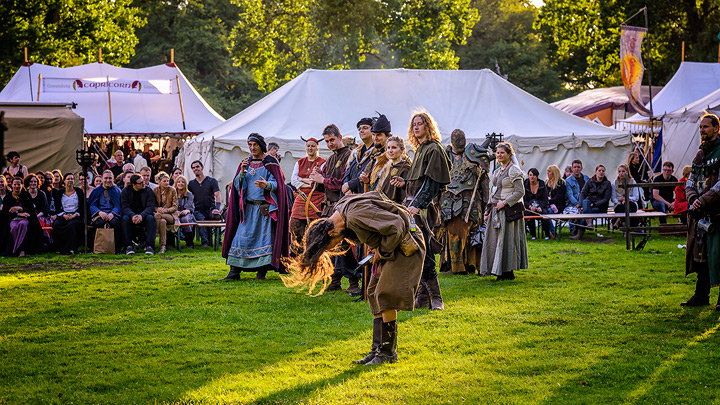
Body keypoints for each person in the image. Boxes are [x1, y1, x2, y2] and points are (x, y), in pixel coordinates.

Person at [283, 191, 426, 365]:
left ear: (332, 232)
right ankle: (377, 350)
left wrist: (381, 251)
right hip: (393, 243)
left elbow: (395, 226)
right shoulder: (342, 211)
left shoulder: (353, 216)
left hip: (405, 243)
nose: (335, 246)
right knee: (372, 292)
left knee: (385, 294)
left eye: (330, 245)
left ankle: (388, 353)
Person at [392, 111, 451, 309]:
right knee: (416, 252)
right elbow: (418, 180)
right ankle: (423, 297)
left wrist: (417, 205)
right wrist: (404, 183)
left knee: (424, 253)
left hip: (423, 209)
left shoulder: (434, 149)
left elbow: (432, 184)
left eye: (420, 124)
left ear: (428, 126)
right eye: (414, 124)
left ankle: (437, 298)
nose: (416, 127)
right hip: (412, 207)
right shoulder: (420, 150)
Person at [221, 133, 290, 280]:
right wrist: (241, 173)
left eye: (255, 145)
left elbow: (279, 184)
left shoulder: (270, 162)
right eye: (250, 145)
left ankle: (261, 273)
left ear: (261, 145)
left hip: (263, 209)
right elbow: (237, 186)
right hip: (247, 209)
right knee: (240, 239)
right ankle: (234, 272)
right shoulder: (245, 162)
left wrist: (267, 185)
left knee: (263, 242)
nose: (252, 148)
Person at [682, 113, 720, 308]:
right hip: (701, 214)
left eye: (706, 127)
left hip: (718, 213)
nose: (702, 130)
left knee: (719, 255)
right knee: (701, 257)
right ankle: (701, 295)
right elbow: (691, 180)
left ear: (716, 128)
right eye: (700, 127)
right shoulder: (700, 153)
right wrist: (693, 198)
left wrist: (704, 200)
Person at [309, 124, 354, 291]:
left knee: (344, 246)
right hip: (329, 208)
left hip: (341, 208)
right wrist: (316, 179)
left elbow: (343, 184)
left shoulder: (349, 156)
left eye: (332, 140)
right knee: (329, 245)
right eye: (327, 141)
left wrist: (323, 180)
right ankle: (334, 281)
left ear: (340, 137)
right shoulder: (330, 159)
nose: (330, 144)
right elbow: (322, 186)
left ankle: (352, 281)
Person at [439, 129, 490, 274]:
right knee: (450, 233)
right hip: (448, 201)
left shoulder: (474, 156)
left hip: (470, 201)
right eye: (457, 139)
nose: (459, 141)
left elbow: (484, 182)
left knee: (471, 233)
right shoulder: (445, 156)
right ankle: (452, 265)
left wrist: (486, 204)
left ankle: (470, 264)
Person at [479, 142, 528, 280]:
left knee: (507, 241)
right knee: (494, 241)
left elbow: (520, 191)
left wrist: (505, 203)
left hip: (508, 212)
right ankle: (497, 270)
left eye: (502, 153)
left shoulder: (514, 170)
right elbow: (493, 191)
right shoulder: (497, 171)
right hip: (495, 209)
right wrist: (487, 211)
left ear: (509, 154)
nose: (499, 155)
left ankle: (507, 272)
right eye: (498, 153)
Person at [289, 137, 326, 249]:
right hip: (302, 198)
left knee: (315, 227)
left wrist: (302, 179)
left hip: (317, 198)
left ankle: (313, 252)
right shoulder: (300, 162)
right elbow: (293, 180)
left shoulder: (323, 162)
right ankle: (297, 253)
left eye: (313, 146)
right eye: (308, 146)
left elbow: (319, 181)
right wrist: (308, 181)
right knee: (296, 224)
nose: (310, 148)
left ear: (317, 147)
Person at [2, 176, 43, 256]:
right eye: (15, 184)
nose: (17, 186)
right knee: (13, 227)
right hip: (13, 219)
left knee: (23, 224)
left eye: (19, 184)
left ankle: (22, 249)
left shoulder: (26, 195)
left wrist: (20, 208)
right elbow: (6, 212)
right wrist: (18, 213)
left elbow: (30, 210)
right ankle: (15, 249)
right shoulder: (8, 198)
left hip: (25, 219)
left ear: (22, 185)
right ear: (12, 185)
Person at [571, 164, 612, 240]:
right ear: (596, 172)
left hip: (600, 207)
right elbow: (583, 193)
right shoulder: (590, 181)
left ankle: (580, 234)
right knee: (586, 202)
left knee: (585, 213)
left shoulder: (607, 183)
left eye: (603, 171)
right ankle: (589, 223)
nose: (601, 172)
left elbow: (606, 198)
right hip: (589, 204)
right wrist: (580, 205)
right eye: (599, 170)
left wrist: (595, 204)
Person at [120, 174, 156, 255]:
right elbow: (125, 207)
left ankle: (150, 246)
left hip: (144, 215)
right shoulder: (125, 191)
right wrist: (132, 215)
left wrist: (141, 216)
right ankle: (128, 246)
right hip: (130, 216)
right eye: (140, 183)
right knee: (125, 219)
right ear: (134, 185)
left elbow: (150, 207)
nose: (144, 184)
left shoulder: (148, 191)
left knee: (150, 218)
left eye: (143, 181)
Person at [88, 170, 123, 253]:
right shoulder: (96, 190)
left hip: (113, 214)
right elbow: (92, 205)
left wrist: (112, 213)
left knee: (115, 223)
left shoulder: (117, 191)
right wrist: (99, 212)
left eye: (110, 178)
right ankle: (96, 248)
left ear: (113, 179)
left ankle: (116, 248)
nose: (108, 180)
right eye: (106, 178)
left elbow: (119, 205)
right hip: (99, 214)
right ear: (102, 179)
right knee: (99, 223)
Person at [188, 160, 222, 247]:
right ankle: (204, 242)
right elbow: (189, 197)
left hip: (211, 208)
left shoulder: (212, 181)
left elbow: (218, 196)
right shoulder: (191, 184)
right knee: (200, 218)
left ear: (202, 168)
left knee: (216, 217)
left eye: (197, 167)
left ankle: (218, 240)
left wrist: (217, 209)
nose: (195, 169)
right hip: (198, 209)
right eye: (193, 168)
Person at [51, 173, 86, 254]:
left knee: (72, 226)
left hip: (75, 215)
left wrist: (74, 215)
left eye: (72, 179)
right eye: (68, 179)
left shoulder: (79, 192)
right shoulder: (60, 193)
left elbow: (82, 207)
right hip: (64, 214)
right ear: (64, 180)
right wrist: (64, 215)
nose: (70, 181)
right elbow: (57, 207)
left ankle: (72, 249)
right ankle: (60, 249)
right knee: (57, 225)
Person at [342, 117, 376, 195]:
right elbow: (347, 173)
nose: (361, 130)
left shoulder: (378, 153)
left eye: (365, 128)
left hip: (364, 199)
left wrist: (350, 185)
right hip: (349, 197)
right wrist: (347, 187)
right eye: (359, 129)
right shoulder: (356, 153)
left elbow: (370, 176)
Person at [153, 172, 179, 254]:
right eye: (164, 181)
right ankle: (163, 247)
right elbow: (153, 205)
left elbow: (175, 207)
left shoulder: (172, 190)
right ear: (159, 181)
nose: (167, 183)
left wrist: (164, 210)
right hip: (161, 216)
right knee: (162, 222)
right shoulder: (155, 190)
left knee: (158, 215)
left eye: (168, 181)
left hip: (171, 216)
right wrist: (158, 209)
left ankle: (153, 238)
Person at [24, 174, 51, 247]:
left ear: (37, 183)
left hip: (40, 215)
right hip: (27, 216)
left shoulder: (42, 194)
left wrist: (36, 216)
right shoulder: (25, 194)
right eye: (31, 181)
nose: (33, 183)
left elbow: (45, 208)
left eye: (35, 181)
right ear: (28, 183)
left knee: (40, 222)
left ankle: (44, 243)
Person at [524, 168, 551, 240]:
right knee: (528, 214)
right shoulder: (525, 184)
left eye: (534, 175)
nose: (532, 177)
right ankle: (533, 235)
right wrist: (529, 207)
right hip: (529, 207)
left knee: (544, 214)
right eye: (530, 175)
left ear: (537, 176)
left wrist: (541, 207)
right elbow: (524, 199)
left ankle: (547, 234)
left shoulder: (542, 184)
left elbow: (545, 199)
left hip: (540, 205)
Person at [610, 164, 640, 229]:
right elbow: (613, 198)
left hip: (631, 203)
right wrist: (620, 201)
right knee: (624, 209)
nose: (621, 173)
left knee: (628, 206)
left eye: (623, 171)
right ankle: (634, 225)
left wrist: (626, 199)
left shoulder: (632, 181)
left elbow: (636, 197)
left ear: (627, 172)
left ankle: (618, 220)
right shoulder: (614, 183)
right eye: (619, 171)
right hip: (619, 205)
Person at [564, 159, 589, 234]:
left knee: (586, 210)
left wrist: (584, 204)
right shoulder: (568, 180)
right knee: (574, 211)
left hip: (585, 202)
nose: (576, 169)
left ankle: (581, 230)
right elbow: (570, 195)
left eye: (578, 167)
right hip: (573, 204)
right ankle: (573, 229)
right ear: (572, 168)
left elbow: (589, 192)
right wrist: (578, 205)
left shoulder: (586, 178)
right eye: (575, 167)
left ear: (581, 168)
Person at [174, 175, 196, 248]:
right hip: (175, 213)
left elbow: (190, 207)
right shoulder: (173, 193)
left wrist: (186, 211)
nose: (181, 184)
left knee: (184, 219)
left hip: (187, 214)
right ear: (176, 183)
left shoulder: (189, 194)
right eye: (179, 182)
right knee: (175, 219)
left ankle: (189, 242)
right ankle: (170, 243)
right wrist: (175, 211)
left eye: (183, 182)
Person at [546, 164, 566, 237]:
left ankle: (553, 232)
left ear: (554, 173)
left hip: (558, 206)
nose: (547, 174)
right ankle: (550, 232)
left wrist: (548, 202)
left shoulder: (561, 183)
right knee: (544, 212)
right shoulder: (547, 183)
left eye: (549, 172)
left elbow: (558, 197)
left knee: (547, 213)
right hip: (549, 205)